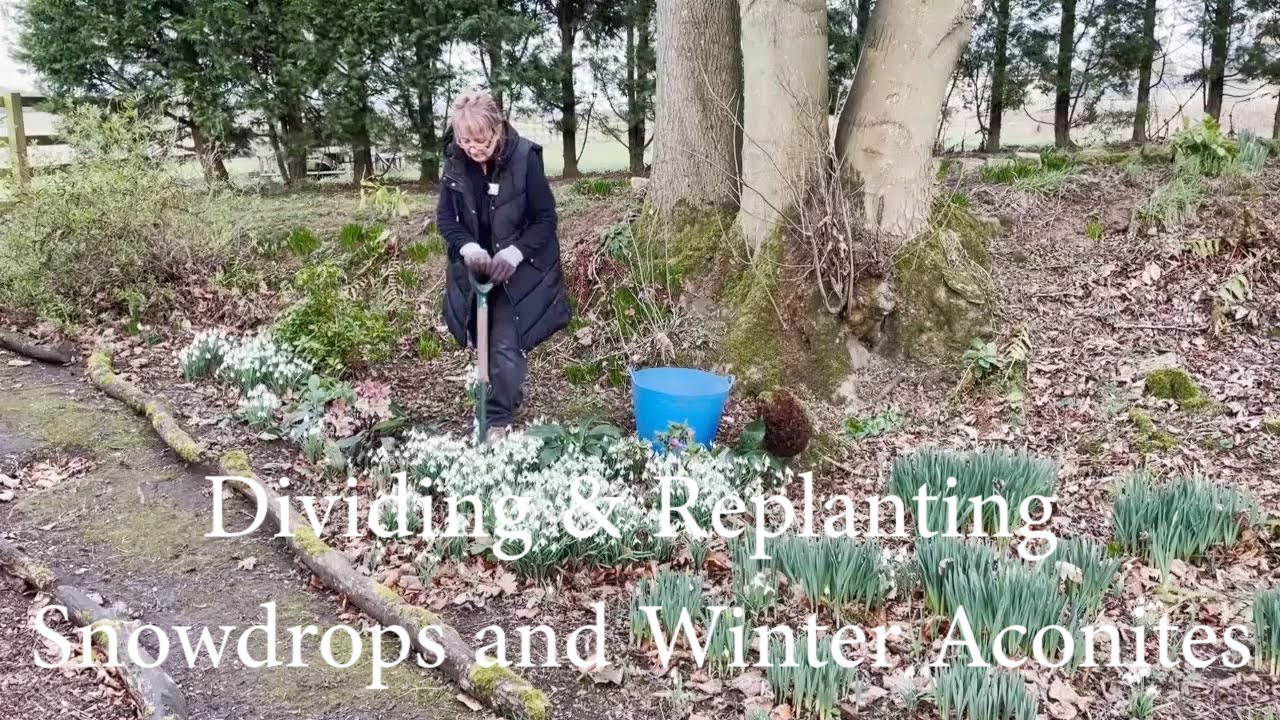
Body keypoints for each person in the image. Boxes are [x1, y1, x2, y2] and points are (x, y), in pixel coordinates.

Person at [436, 90, 571, 443]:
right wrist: (468, 248)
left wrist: (513, 254)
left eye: (480, 141)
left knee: (505, 348)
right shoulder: (454, 162)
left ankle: (496, 420)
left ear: (497, 129)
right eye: (466, 141)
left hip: (519, 273)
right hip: (476, 271)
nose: (473, 148)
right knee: (483, 341)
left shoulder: (524, 158)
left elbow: (545, 219)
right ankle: (501, 397)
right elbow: (446, 220)